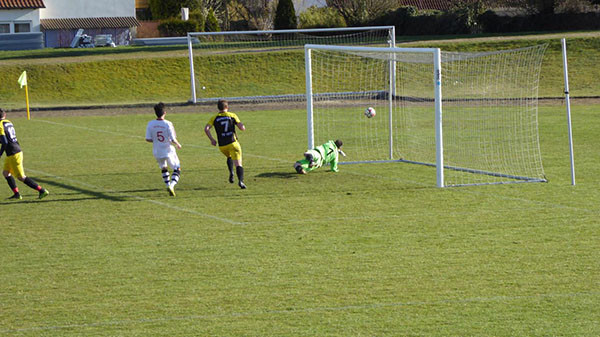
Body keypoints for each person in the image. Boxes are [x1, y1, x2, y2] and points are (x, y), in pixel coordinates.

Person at [0, 108, 49, 200]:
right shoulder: (8, 122)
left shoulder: (0, 125)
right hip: (13, 151)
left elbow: (5, 142)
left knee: (21, 177)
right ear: (5, 115)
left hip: (14, 153)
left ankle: (42, 190)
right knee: (6, 173)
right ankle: (17, 194)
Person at [204, 99, 247, 189]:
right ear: (227, 107)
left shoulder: (214, 117)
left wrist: (212, 139)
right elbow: (242, 128)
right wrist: (242, 125)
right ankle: (241, 181)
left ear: (218, 108)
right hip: (233, 143)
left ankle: (231, 172)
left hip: (222, 146)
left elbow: (206, 128)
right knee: (238, 163)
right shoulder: (232, 115)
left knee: (229, 157)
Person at [145, 102, 182, 197]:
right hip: (168, 150)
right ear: (164, 112)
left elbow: (148, 139)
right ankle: (172, 185)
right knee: (177, 168)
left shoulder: (150, 124)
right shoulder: (168, 124)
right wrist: (177, 144)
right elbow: (173, 138)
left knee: (163, 168)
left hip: (157, 151)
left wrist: (157, 140)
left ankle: (167, 184)